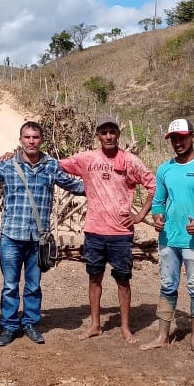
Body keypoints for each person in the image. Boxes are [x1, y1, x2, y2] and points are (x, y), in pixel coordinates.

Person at [0, 121, 85, 346]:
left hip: (37, 239)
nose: (31, 141)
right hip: (11, 236)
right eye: (27, 137)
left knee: (33, 285)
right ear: (20, 140)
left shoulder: (50, 166)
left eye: (35, 137)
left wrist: (105, 182)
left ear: (42, 140)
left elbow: (75, 186)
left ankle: (30, 323)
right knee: (10, 285)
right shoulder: (8, 165)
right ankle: (9, 326)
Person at [59, 116, 156, 344]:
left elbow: (153, 184)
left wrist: (140, 215)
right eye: (104, 132)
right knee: (94, 278)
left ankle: (124, 327)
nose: (109, 136)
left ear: (118, 135)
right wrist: (20, 156)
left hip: (121, 233)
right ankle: (95, 325)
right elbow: (56, 164)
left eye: (112, 132)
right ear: (98, 135)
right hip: (94, 231)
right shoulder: (87, 159)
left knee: (123, 280)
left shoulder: (130, 161)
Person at [140, 117, 194, 355]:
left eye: (182, 137)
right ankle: (162, 336)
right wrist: (157, 217)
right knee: (167, 286)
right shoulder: (164, 169)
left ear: (192, 136)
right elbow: (158, 201)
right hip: (169, 239)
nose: (178, 142)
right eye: (174, 139)